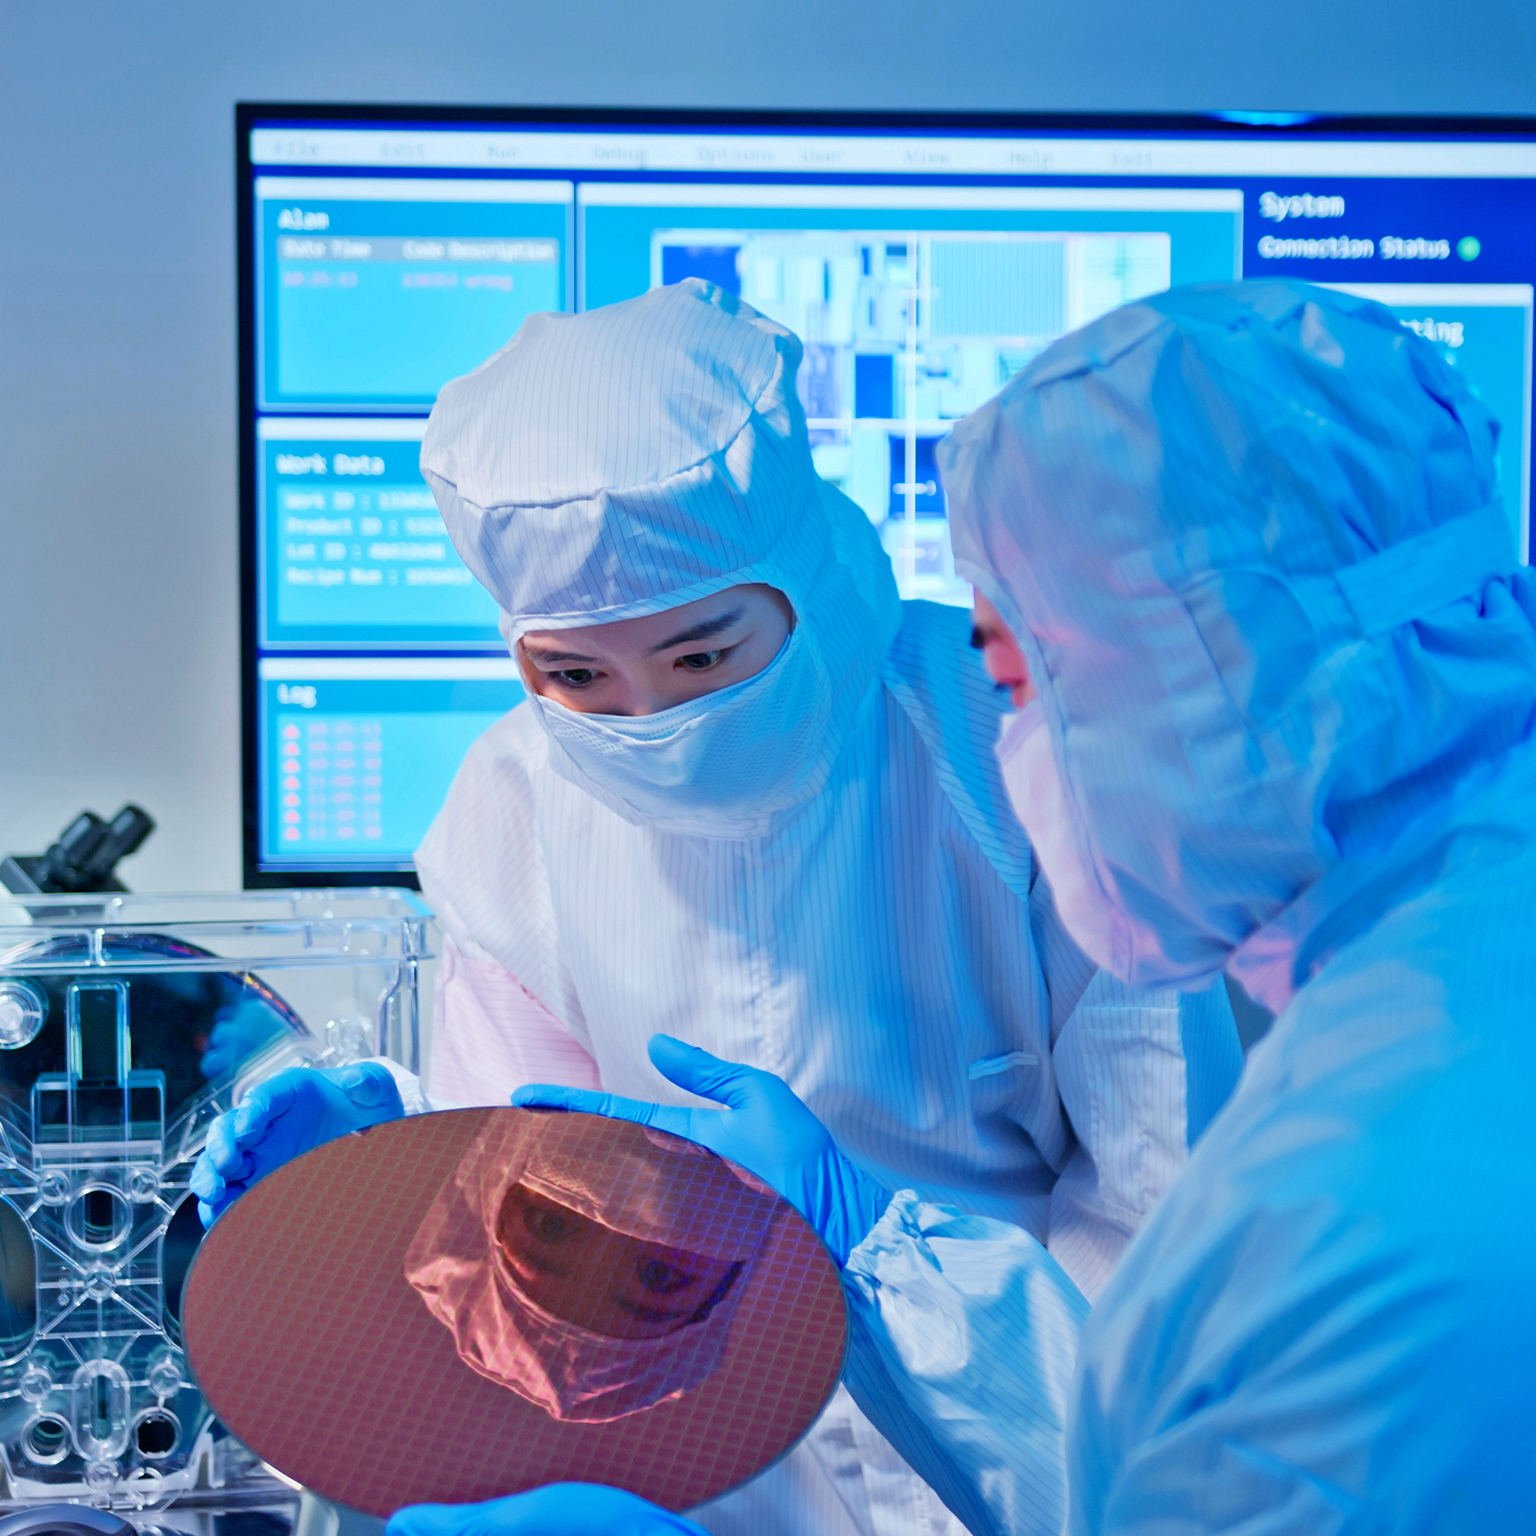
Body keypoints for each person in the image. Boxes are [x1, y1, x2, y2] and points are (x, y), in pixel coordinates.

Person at [409, 278, 1536, 1533]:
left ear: (1224, 675)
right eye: (577, 671)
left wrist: (873, 1255)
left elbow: (1164, 1469)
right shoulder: (1429, 1001)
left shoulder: (1382, 1174)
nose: (658, 721)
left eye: (1033, 674)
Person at [193, 280, 1240, 1536]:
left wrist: (900, 1280)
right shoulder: (510, 812)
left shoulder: (1017, 748)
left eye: (703, 655)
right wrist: (402, 1172)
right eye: (578, 673)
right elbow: (546, 1254)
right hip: (705, 1491)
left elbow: (1161, 1232)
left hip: (1047, 1459)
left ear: (796, 572)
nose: (656, 721)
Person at [404, 1109, 779, 1423]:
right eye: (660, 1276)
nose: (626, 1218)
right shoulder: (821, 1146)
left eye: (550, 1227)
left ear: (495, 1183)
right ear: (727, 1286)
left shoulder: (504, 1045)